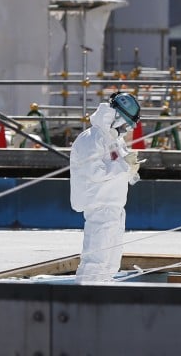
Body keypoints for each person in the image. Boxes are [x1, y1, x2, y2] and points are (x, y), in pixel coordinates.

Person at [69, 91, 142, 282]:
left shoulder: (114, 140)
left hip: (115, 207)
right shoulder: (91, 138)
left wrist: (132, 170)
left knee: (110, 262)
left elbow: (121, 171)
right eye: (125, 124)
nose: (126, 129)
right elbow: (95, 172)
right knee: (96, 259)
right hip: (100, 206)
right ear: (116, 116)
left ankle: (103, 292)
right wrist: (124, 166)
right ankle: (86, 294)